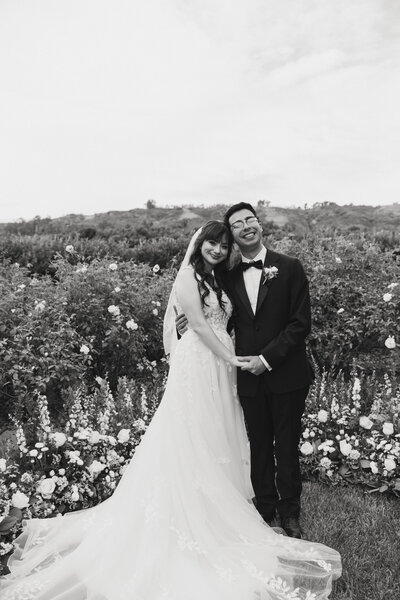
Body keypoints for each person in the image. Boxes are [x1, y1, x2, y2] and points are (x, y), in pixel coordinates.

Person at [0, 221, 341, 600]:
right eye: (212, 241)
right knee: (192, 430)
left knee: (222, 429)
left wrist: (232, 356)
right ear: (200, 243)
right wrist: (231, 357)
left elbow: (234, 318)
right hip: (202, 363)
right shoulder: (188, 276)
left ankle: (232, 503)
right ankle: (192, 509)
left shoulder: (218, 277)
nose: (217, 248)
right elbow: (195, 322)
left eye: (222, 244)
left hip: (221, 363)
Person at [177, 203, 314, 539]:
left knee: (286, 444)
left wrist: (265, 359)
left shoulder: (291, 267)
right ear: (232, 235)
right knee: (258, 446)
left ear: (259, 225)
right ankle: (264, 510)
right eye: (236, 225)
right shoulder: (225, 275)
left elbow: (300, 324)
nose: (245, 227)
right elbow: (214, 315)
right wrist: (188, 325)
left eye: (249, 220)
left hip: (286, 373)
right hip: (245, 376)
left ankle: (290, 512)